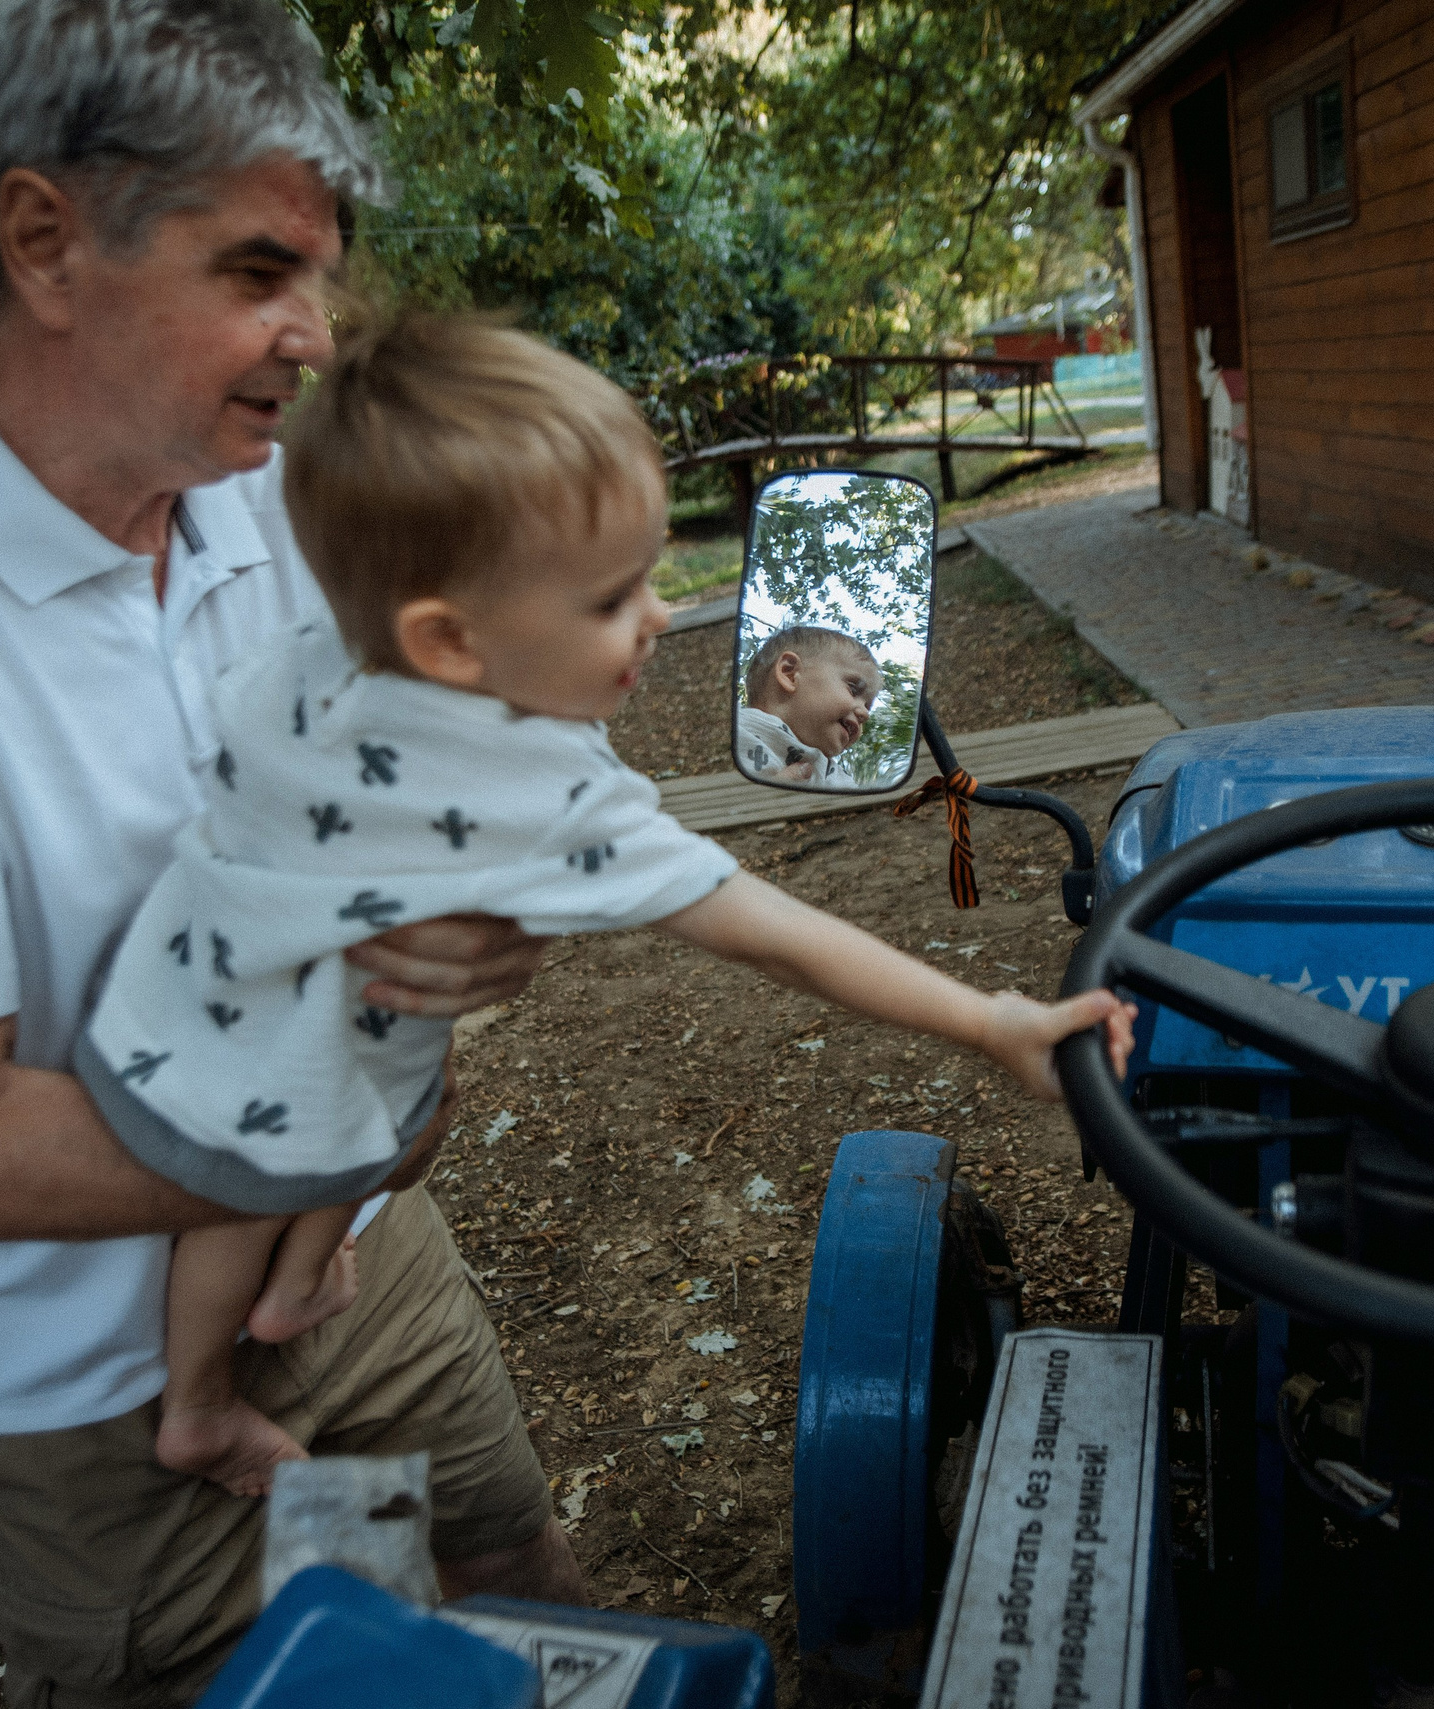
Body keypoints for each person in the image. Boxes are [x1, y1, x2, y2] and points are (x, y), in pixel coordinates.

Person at [0, 3, 582, 1700]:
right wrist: (366, 1115)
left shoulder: (268, 498)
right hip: (95, 1396)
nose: (316, 335)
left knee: (519, 1593)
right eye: (258, 271)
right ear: (44, 240)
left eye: (320, 275)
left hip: (362, 1263)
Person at [88, 310, 1135, 1495]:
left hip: (193, 980)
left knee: (311, 1124)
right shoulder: (537, 785)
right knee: (256, 1163)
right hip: (284, 1061)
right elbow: (771, 933)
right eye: (610, 597)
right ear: (448, 639)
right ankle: (198, 1404)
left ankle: (286, 1283)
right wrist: (989, 1020)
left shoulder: (320, 648)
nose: (661, 614)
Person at [738, 625, 879, 784]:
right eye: (853, 690)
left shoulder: (837, 778)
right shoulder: (736, 732)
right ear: (790, 674)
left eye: (867, 706)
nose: (865, 714)